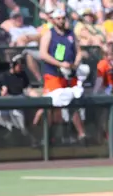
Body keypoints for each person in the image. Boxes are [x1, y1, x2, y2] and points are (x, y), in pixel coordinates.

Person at [39, 8, 87, 143]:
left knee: (72, 104)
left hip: (69, 76)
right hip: (53, 75)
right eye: (58, 18)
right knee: (51, 106)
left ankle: (81, 134)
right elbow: (43, 54)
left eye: (62, 18)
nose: (61, 21)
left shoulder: (71, 34)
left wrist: (75, 63)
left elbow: (78, 51)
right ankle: (46, 136)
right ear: (53, 20)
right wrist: (59, 64)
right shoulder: (49, 34)